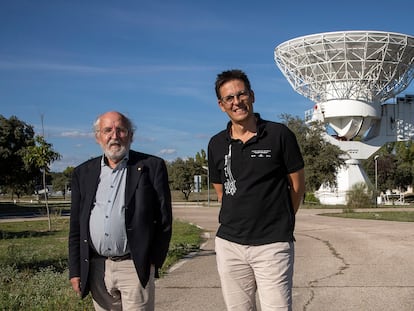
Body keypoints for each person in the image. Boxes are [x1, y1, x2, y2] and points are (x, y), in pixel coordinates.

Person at [208, 69, 305, 311]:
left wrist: (280, 220)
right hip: (230, 245)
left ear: (252, 96)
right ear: (221, 105)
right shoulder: (216, 144)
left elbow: (297, 186)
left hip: (272, 245)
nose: (237, 102)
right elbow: (222, 192)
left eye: (241, 94)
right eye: (229, 98)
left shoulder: (279, 135)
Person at [68, 111, 172, 311]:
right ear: (98, 137)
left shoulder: (151, 166)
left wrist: (153, 262)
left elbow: (164, 219)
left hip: (134, 266)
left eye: (121, 130)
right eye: (107, 130)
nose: (114, 136)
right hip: (97, 267)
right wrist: (76, 270)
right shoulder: (83, 172)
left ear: (130, 135)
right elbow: (76, 226)